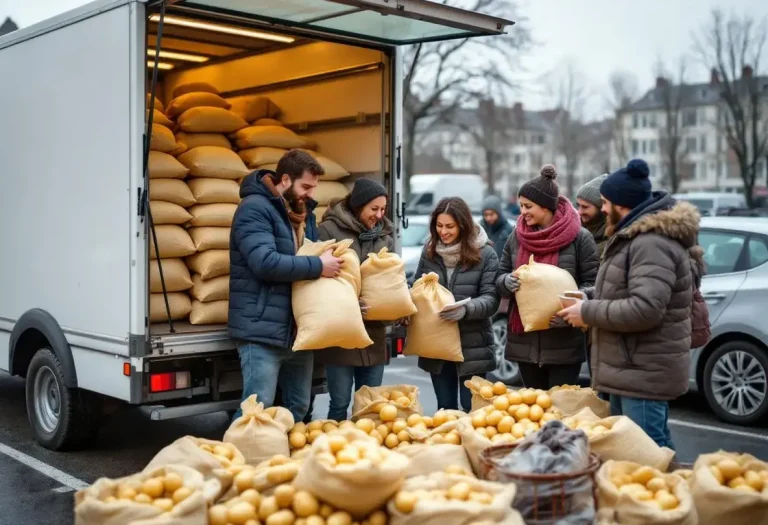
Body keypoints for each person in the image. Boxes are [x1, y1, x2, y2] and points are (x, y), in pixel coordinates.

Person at [558, 159, 702, 450]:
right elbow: (623, 292)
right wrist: (588, 296)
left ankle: (668, 495)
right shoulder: (633, 238)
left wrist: (587, 312)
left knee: (649, 451)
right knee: (634, 451)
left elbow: (645, 309)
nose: (604, 208)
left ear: (622, 205)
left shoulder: (650, 243)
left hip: (643, 370)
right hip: (630, 366)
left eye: (606, 203)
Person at [228, 149, 343, 422]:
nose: (310, 194)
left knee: (299, 408)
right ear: (286, 180)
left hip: (297, 331)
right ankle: (230, 461)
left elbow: (312, 255)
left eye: (314, 188)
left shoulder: (305, 215)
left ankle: (282, 461)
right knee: (256, 411)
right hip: (262, 331)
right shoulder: (254, 208)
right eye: (305, 186)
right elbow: (264, 262)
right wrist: (319, 267)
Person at [495, 165, 599, 390]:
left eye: (528, 206)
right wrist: (506, 283)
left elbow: (594, 284)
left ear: (545, 207)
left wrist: (571, 313)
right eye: (521, 206)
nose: (522, 212)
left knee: (559, 413)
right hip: (524, 343)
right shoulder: (517, 237)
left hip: (564, 343)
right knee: (533, 409)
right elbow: (500, 276)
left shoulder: (580, 238)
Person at [316, 178, 394, 421]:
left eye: (383, 209)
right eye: (374, 209)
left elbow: (391, 278)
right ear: (359, 205)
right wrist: (347, 304)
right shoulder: (329, 230)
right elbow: (317, 281)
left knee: (370, 405)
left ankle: (366, 452)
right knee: (339, 403)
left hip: (374, 335)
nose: (379, 215)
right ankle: (335, 452)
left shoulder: (384, 236)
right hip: (341, 335)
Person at [414, 197, 500, 412]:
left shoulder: (486, 254)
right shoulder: (430, 251)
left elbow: (491, 299)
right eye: (439, 225)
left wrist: (466, 310)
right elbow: (417, 286)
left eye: (450, 226)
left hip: (472, 346)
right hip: (437, 344)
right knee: (445, 409)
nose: (443, 232)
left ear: (463, 224)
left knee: (474, 409)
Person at [576, 174, 609, 256]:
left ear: (601, 207)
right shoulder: (574, 233)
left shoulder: (612, 240)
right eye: (578, 205)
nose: (579, 212)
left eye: (585, 207)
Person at [480, 195, 515, 259]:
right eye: (486, 215)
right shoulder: (479, 230)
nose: (488, 218)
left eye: (491, 214)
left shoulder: (509, 230)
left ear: (498, 213)